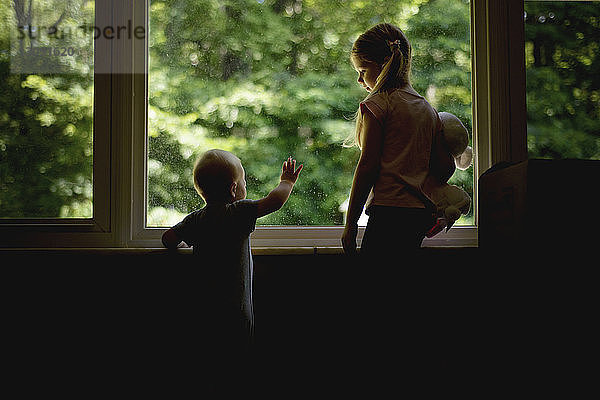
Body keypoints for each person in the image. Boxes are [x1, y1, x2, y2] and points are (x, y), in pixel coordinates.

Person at [161, 149, 302, 358]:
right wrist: (287, 182)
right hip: (235, 310)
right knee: (236, 357)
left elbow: (168, 238)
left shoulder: (196, 219)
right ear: (234, 188)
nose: (245, 185)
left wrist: (183, 245)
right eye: (243, 181)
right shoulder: (238, 213)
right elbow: (274, 202)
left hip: (204, 309)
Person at [341, 23, 439, 260]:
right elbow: (438, 166)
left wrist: (350, 224)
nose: (359, 79)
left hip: (389, 212)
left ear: (384, 64)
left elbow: (367, 167)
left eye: (362, 71)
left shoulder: (377, 105)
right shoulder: (427, 109)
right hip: (418, 215)